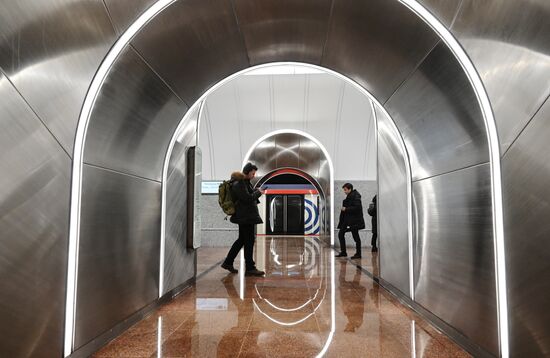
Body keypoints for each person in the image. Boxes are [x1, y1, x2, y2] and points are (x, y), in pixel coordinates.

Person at [221, 162, 265, 276]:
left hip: (246, 216)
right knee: (249, 241)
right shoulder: (239, 184)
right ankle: (250, 268)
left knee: (242, 240)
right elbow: (247, 199)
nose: (254, 175)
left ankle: (228, 262)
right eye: (253, 173)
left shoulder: (245, 183)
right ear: (248, 172)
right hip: (245, 217)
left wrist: (257, 191)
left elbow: (248, 196)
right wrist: (259, 193)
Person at [335, 183, 365, 259]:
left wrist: (346, 209)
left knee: (356, 236)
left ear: (350, 189)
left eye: (345, 190)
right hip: (347, 219)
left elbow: (357, 208)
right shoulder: (349, 197)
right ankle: (343, 252)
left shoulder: (356, 196)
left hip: (354, 220)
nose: (344, 191)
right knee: (341, 234)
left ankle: (358, 253)